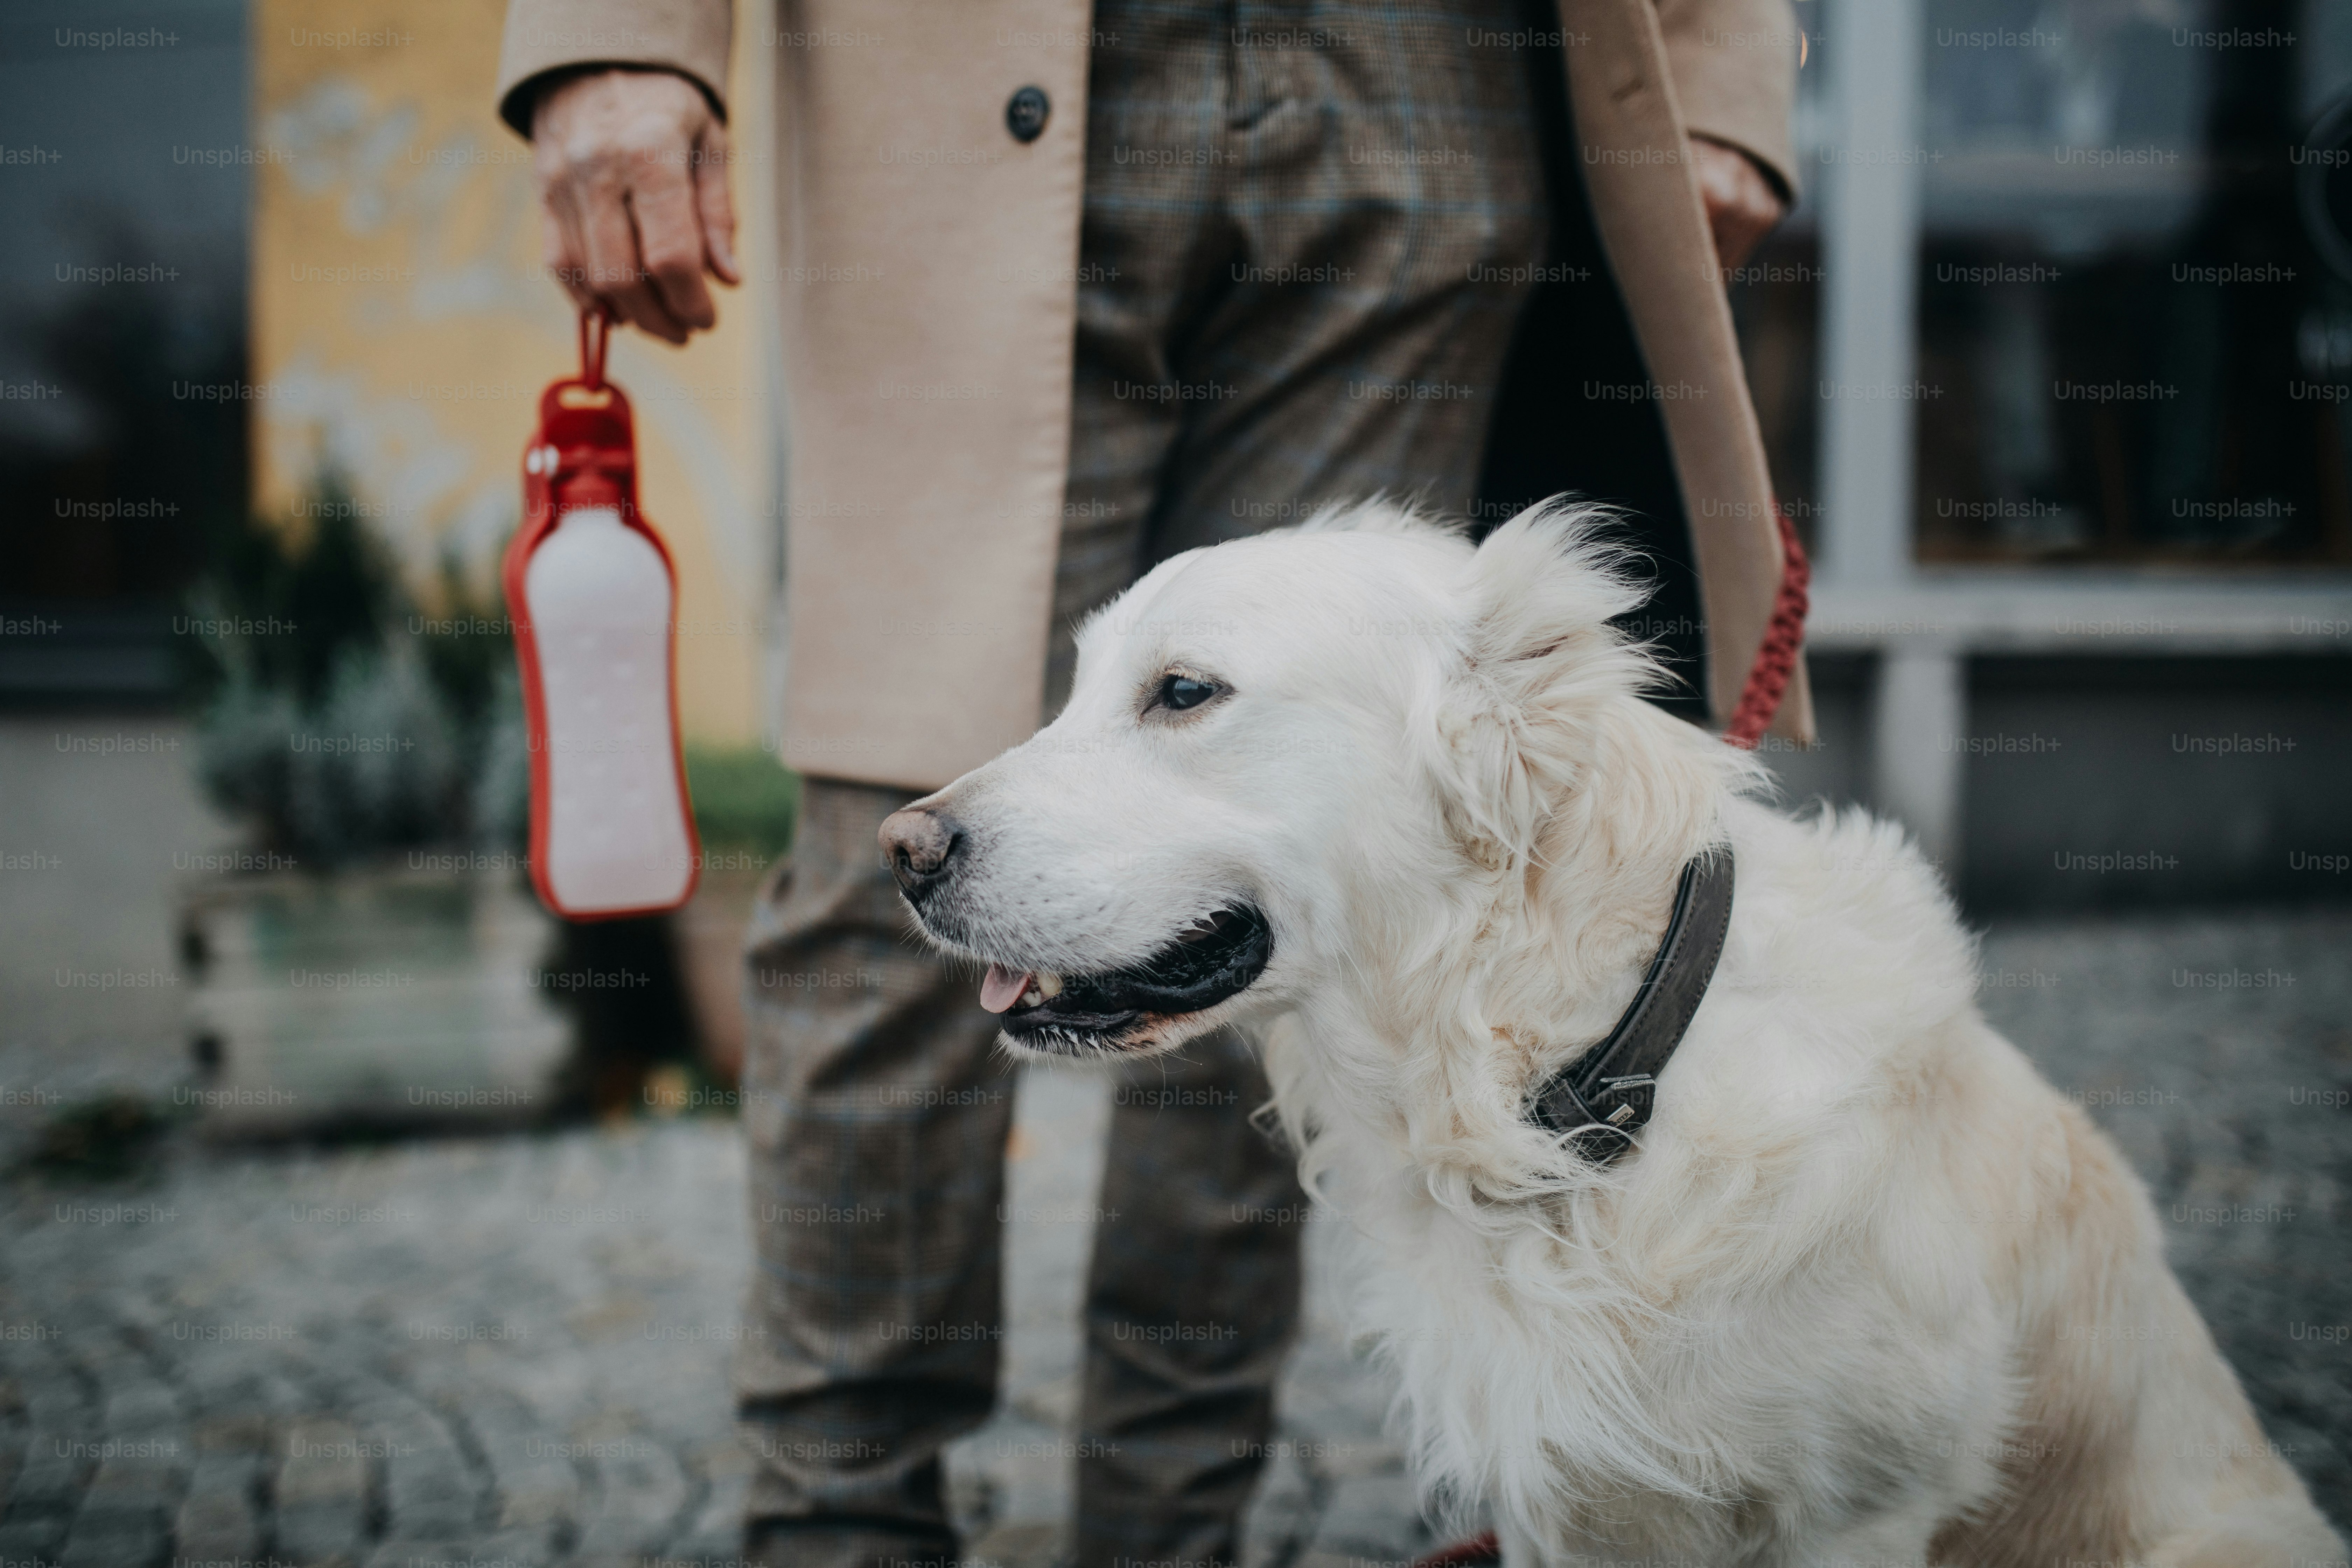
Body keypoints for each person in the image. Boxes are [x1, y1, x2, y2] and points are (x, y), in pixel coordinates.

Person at [494, 3, 1813, 1564]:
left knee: (1272, 899)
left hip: (1422, 87)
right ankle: (839, 1530)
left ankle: (1165, 1537)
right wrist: (613, 34)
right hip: (976, 84)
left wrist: (1718, 59)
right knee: (897, 869)